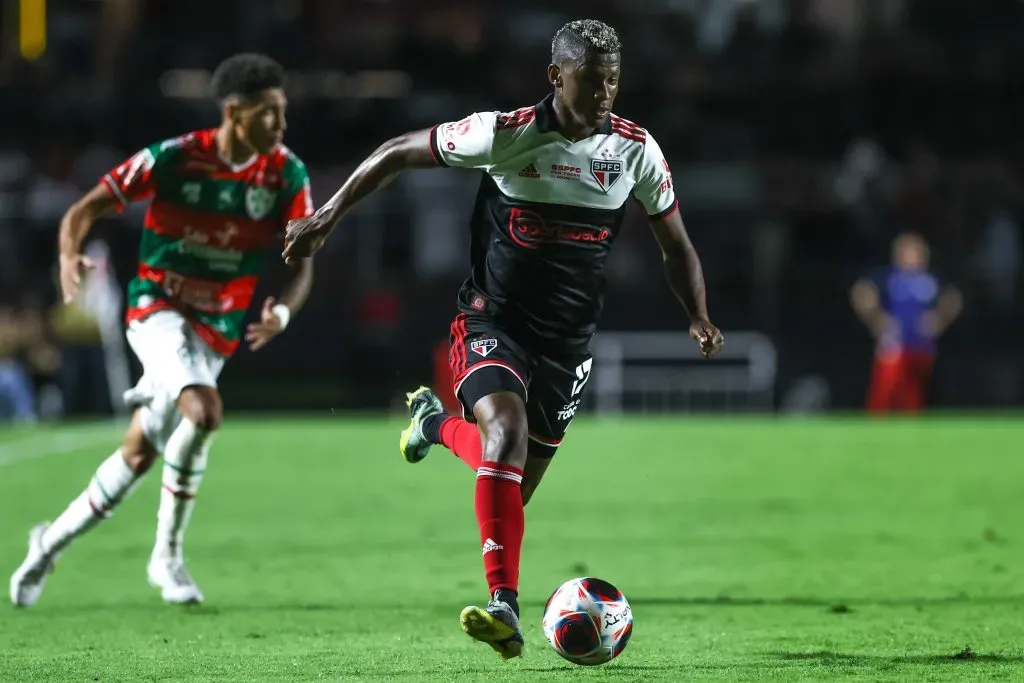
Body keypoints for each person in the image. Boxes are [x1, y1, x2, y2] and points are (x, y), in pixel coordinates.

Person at [282, 19, 724, 659]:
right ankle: (504, 609)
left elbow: (674, 244)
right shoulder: (505, 134)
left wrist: (699, 314)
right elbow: (398, 150)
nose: (605, 94)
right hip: (493, 322)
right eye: (593, 80)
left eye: (614, 82)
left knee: (510, 480)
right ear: (557, 76)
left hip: (568, 344)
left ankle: (434, 427)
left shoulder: (636, 151)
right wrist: (325, 217)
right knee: (506, 439)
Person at [10, 53, 315, 607]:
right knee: (204, 410)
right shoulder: (178, 158)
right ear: (235, 112)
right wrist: (68, 254)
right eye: (270, 113)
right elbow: (85, 207)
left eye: (283, 113)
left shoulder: (286, 173)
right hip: (156, 308)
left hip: (217, 327)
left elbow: (304, 258)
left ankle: (47, 544)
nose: (281, 125)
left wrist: (284, 312)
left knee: (139, 453)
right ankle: (167, 556)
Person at [851, 232, 962, 413]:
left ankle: (909, 430)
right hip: (894, 342)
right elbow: (861, 291)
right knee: (886, 388)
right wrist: (876, 318)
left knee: (913, 392)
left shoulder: (930, 280)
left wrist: (939, 320)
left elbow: (953, 297)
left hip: (921, 344)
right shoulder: (889, 277)